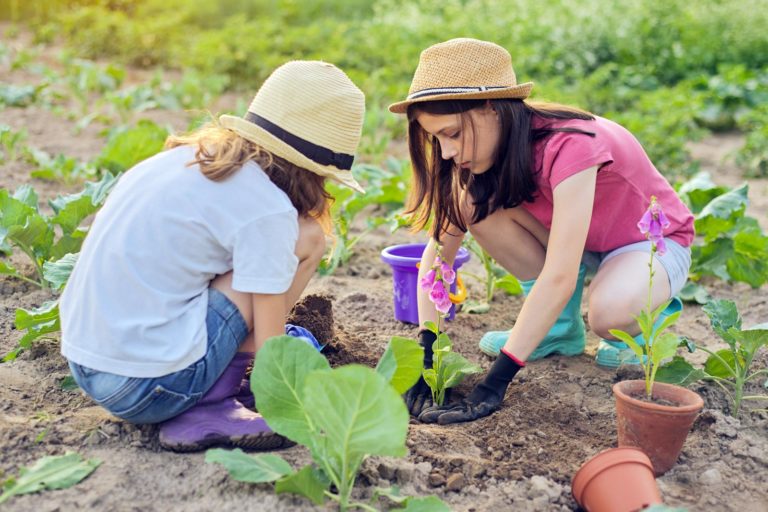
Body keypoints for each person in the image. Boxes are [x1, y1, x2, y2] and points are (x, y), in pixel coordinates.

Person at [59, 61, 366, 451]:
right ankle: (213, 402)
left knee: (253, 260)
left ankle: (206, 379)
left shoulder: (186, 160)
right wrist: (286, 393)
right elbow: (271, 353)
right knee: (309, 239)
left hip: (87, 362)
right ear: (313, 172)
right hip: (148, 388)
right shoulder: (268, 208)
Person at [389, 38, 694, 424]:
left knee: (609, 314)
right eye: (436, 139)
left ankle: (647, 316)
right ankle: (559, 329)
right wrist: (427, 354)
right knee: (473, 205)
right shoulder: (479, 154)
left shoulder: (570, 144)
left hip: (647, 243)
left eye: (451, 134)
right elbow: (437, 256)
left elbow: (561, 274)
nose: (446, 151)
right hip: (579, 240)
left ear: (491, 109)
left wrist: (496, 380)